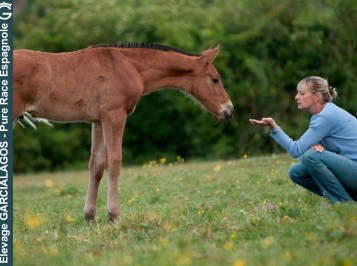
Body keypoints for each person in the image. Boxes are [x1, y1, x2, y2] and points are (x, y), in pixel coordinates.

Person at [250, 76, 357, 203]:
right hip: (350, 170)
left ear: (316, 97)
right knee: (296, 172)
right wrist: (312, 145)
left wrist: (274, 127)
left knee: (310, 156)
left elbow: (296, 150)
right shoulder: (320, 115)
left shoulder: (326, 116)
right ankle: (350, 198)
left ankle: (344, 203)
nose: (296, 97)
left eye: (302, 93)